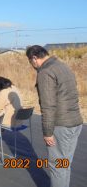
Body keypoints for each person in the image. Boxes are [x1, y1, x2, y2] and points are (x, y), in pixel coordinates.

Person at [26, 45, 83, 187]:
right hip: (75, 122)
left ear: (34, 58)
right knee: (64, 165)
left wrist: (48, 132)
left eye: (30, 62)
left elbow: (48, 105)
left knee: (58, 167)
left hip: (61, 126)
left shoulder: (45, 72)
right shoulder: (63, 66)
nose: (33, 66)